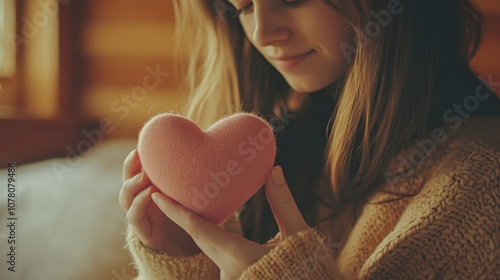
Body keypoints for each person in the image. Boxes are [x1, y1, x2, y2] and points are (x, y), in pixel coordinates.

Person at [119, 0, 500, 279]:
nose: (262, 33)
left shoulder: (482, 183)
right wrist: (187, 261)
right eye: (243, 7)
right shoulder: (291, 144)